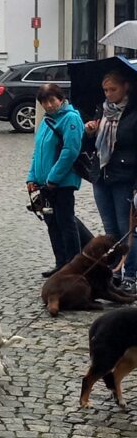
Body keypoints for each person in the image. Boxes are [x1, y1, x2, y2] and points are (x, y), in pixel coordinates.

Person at [85, 69, 137, 292]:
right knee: (110, 230)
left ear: (126, 86)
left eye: (113, 89)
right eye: (105, 90)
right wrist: (90, 131)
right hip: (101, 175)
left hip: (125, 176)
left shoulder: (133, 112)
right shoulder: (103, 109)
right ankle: (115, 272)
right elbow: (93, 146)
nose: (108, 94)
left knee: (127, 229)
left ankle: (131, 275)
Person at [28, 84, 85, 277]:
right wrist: (32, 177)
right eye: (45, 102)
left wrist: (53, 178)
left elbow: (70, 152)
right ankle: (60, 263)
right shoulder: (46, 121)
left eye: (52, 100)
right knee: (52, 222)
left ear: (61, 99)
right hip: (45, 183)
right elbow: (38, 151)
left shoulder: (71, 119)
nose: (49, 105)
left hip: (63, 182)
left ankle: (74, 265)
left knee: (66, 222)